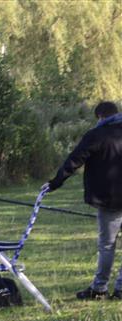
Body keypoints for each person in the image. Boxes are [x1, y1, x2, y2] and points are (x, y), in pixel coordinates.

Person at [46, 100, 122, 300]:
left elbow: (74, 160)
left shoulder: (96, 135)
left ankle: (100, 288)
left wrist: (55, 183)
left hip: (109, 199)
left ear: (100, 117)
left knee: (107, 245)